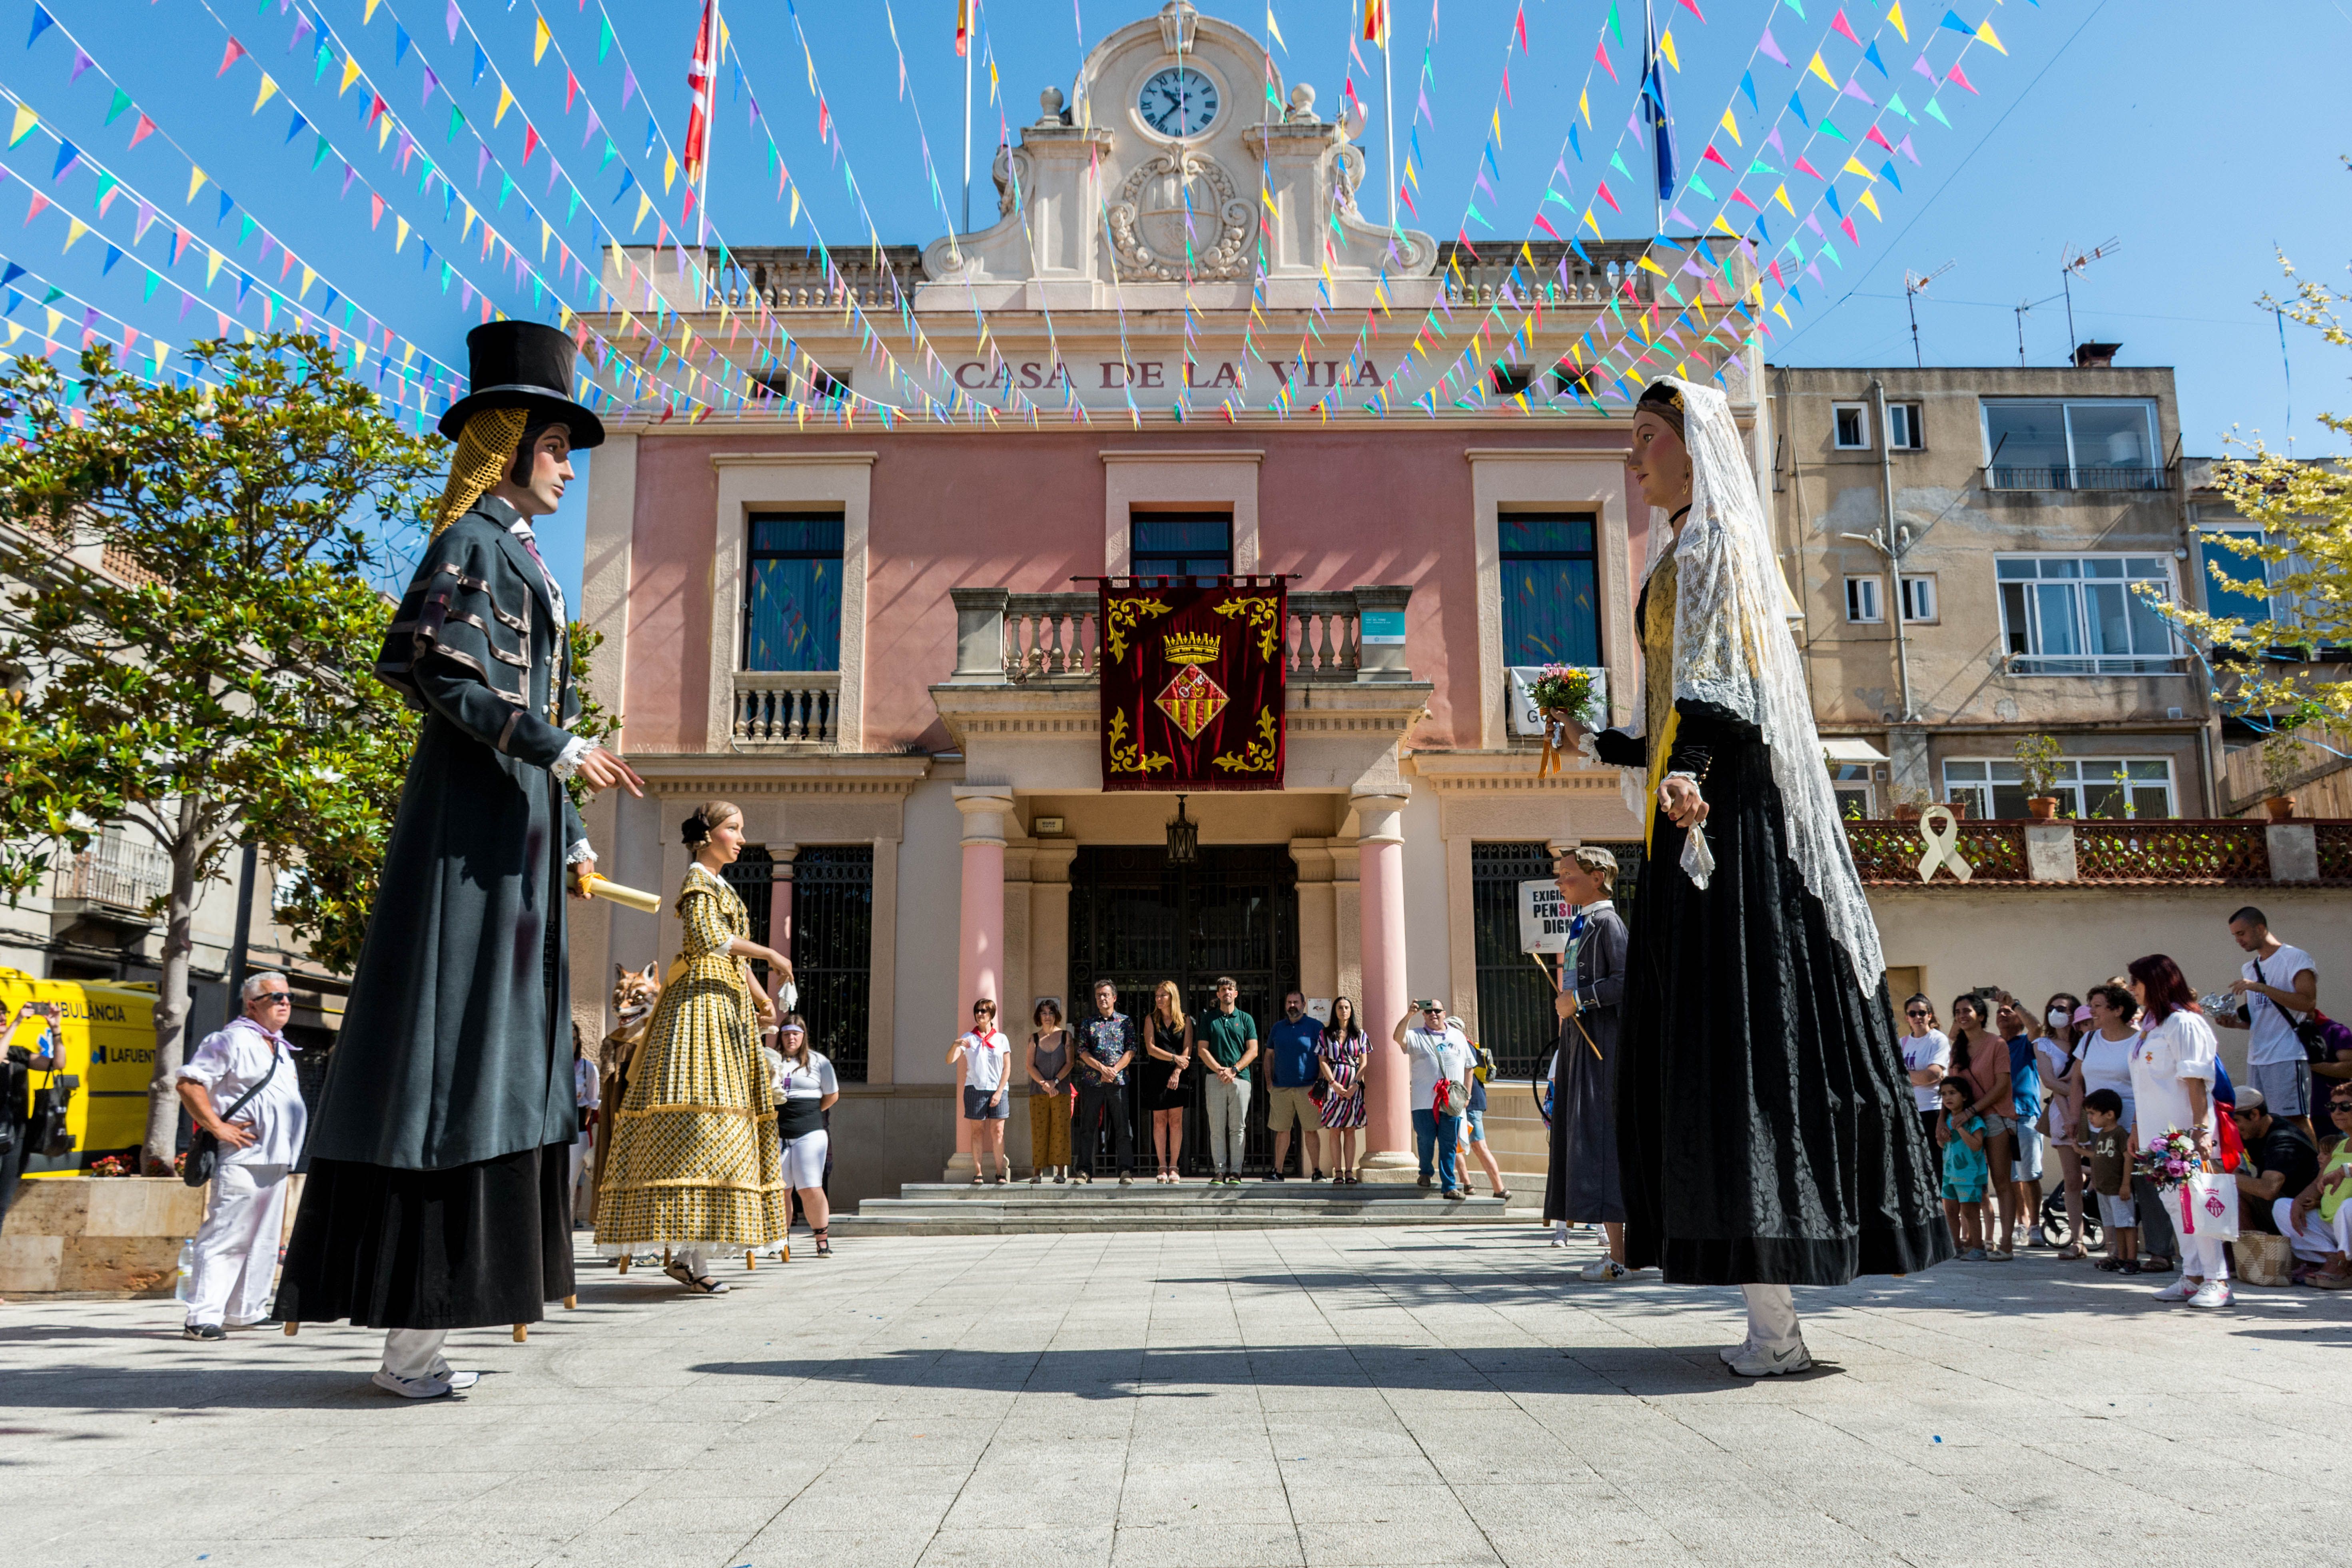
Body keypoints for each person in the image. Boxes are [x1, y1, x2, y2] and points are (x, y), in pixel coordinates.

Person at [274, 321, 644, 1398]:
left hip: (520, 832)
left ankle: (427, 1338)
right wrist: (553, 748)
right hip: (471, 835)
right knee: (450, 1053)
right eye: (555, 447)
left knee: (503, 1054)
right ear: (507, 441)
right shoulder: (470, 542)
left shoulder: (517, 552)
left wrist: (567, 822)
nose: (569, 470)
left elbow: (532, 700)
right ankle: (409, 1342)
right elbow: (438, 674)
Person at [1564, 379, 1948, 1376]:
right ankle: (1770, 1320)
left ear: (1692, 449)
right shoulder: (1675, 552)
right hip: (1689, 810)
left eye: (1645, 439)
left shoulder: (1720, 548)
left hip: (1724, 818)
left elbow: (1722, 689)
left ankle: (1775, 1325)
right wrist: (1604, 741)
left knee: (1740, 1046)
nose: (1632, 458)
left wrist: (1688, 777)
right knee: (1709, 1053)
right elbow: (1667, 713)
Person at [595, 801, 794, 1292]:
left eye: (742, 829)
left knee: (721, 1125)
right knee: (701, 1120)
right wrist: (770, 951)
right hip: (699, 1006)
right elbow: (711, 940)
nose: (742, 838)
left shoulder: (721, 886)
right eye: (734, 828)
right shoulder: (696, 881)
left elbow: (731, 951)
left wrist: (762, 995)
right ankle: (691, 1258)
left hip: (723, 1005)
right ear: (707, 835)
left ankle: (692, 1255)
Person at [175, 972, 307, 1341]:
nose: (284, 1002)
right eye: (275, 997)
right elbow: (188, 1082)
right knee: (226, 1236)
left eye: (288, 996)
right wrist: (218, 1128)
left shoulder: (279, 1046)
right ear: (252, 1004)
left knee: (264, 1240)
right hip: (243, 1155)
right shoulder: (231, 1039)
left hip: (276, 1157)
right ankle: (201, 1317)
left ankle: (245, 1310)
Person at [2126, 954, 2230, 1308]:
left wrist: (2201, 1130)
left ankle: (2218, 1281)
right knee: (2175, 1205)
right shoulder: (2151, 1027)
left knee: (2199, 1204)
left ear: (2154, 982)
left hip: (2186, 1134)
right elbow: (2143, 1085)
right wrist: (2138, 1127)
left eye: (2135, 982)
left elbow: (2196, 1080)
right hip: (2158, 1137)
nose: (2130, 989)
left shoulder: (2185, 1023)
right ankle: (2192, 1276)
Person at [1546, 847, 1628, 1278]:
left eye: (1568, 874)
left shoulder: (1607, 923)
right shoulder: (1583, 924)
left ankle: (1620, 1257)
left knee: (1602, 1143)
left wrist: (1578, 998)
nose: (1560, 883)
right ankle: (1618, 1251)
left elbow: (1625, 981)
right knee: (1591, 1144)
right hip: (1582, 1046)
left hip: (1603, 1049)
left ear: (1598, 878)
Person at [2076, 982, 2176, 1273]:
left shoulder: (2139, 1041)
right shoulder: (2089, 1040)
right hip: (2100, 1128)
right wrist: (2077, 1118)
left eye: (2097, 1006)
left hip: (2139, 1126)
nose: (2090, 1011)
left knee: (2146, 1189)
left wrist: (2136, 1125)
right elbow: (2076, 1081)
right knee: (2108, 1189)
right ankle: (2117, 1252)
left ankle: (2159, 1252)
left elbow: (2150, 1084)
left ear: (2118, 1010)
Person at [2216, 906, 2320, 1141]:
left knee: (2295, 1119)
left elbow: (2307, 1003)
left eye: (2241, 934)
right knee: (2262, 1121)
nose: (2238, 940)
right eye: (2234, 936)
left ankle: (2314, 1172)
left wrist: (2260, 987)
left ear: (2260, 928)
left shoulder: (2295, 958)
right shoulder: (2249, 968)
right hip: (2258, 1056)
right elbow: (2262, 1018)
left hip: (2287, 1053)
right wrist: (2234, 1024)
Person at [1950, 994, 2016, 1261]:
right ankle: (1974, 1242)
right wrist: (1946, 1121)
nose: (1961, 1015)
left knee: (2001, 1180)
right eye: (1957, 1012)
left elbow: (2001, 1086)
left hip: (1994, 1117)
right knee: (1971, 1182)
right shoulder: (1957, 1047)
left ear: (1980, 1014)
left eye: (1966, 1010)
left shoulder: (1997, 1044)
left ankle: (2006, 1244)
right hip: (1966, 1121)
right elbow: (1950, 1086)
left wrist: (1972, 1110)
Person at [770, 1015, 840, 1257]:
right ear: (781, 1036)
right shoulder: (772, 1060)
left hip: (809, 1132)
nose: (791, 1038)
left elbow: (832, 1096)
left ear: (803, 1037)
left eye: (796, 1034)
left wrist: (806, 1115)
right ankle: (781, 1242)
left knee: (810, 1187)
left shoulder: (819, 1062)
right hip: (777, 1132)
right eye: (787, 1034)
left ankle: (822, 1241)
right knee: (781, 1189)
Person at [1390, 1000, 1474, 1197]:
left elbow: (1470, 1066)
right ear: (1424, 1015)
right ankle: (1426, 1172)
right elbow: (1397, 1037)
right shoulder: (1416, 1035)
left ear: (1444, 1013)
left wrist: (1467, 1095)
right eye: (1429, 1011)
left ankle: (1449, 1186)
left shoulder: (1458, 1036)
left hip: (1452, 1101)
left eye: (1437, 1011)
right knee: (1426, 1140)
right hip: (1423, 1100)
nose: (1433, 1014)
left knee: (1449, 1144)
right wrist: (1409, 1015)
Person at [2276, 1084, 2352, 1287]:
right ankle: (2333, 1258)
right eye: (2332, 1106)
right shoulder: (2340, 1145)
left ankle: (2346, 1262)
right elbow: (2318, 1181)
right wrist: (2301, 1201)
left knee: (2349, 1206)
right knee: (2283, 1206)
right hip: (2333, 1223)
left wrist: (2344, 1171)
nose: (2337, 1112)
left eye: (2345, 1106)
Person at [2230, 1087, 2318, 1243]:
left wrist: (2223, 1176)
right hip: (2280, 1204)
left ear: (2255, 1115)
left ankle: (2254, 1250)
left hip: (2301, 1210)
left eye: (2236, 1121)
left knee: (2231, 1188)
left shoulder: (2283, 1139)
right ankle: (2243, 1252)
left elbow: (2268, 1190)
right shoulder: (2254, 1130)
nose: (2233, 1127)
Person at [1197, 978, 1259, 1187]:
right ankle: (1219, 1171)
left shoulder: (1246, 1019)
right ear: (1218, 994)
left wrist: (1234, 1070)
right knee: (1216, 1127)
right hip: (1214, 1078)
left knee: (1238, 1127)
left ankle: (1236, 1172)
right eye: (1223, 990)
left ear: (1236, 993)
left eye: (1230, 989)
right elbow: (1202, 1049)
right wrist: (1219, 1070)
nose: (1227, 993)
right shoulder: (1209, 1019)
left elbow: (1253, 1050)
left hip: (1240, 1079)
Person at [1995, 996, 2046, 1249]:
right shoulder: (1993, 1046)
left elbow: (2038, 1028)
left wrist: (2014, 1003)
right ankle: (2021, 1223)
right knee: (2011, 1177)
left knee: (2030, 1175)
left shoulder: (2027, 1043)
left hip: (2025, 1116)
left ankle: (2035, 1226)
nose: (2003, 1015)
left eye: (2009, 1013)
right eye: (2000, 1012)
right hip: (1998, 1119)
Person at [1074, 981, 1136, 1185]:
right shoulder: (1088, 1023)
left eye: (1106, 995)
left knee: (1123, 1128)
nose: (1102, 998)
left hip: (1118, 1082)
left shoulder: (1126, 1022)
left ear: (1114, 998)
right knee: (1088, 1128)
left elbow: (1131, 1050)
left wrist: (1114, 1071)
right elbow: (1082, 1051)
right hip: (1093, 1082)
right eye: (1099, 995)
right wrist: (1102, 1069)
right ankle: (1084, 1171)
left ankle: (1126, 1171)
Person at [949, 999, 1014, 1187]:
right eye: (978, 1011)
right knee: (977, 1132)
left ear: (992, 1014)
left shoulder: (1001, 1039)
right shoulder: (969, 1037)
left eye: (984, 1011)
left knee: (998, 1131)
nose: (980, 1014)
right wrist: (955, 1046)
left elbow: (1007, 1069)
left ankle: (1000, 1173)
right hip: (975, 1089)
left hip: (998, 1089)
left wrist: (999, 1091)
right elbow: (950, 1060)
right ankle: (978, 1173)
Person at [1263, 991, 1324, 1183]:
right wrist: (1269, 1082)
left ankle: (1317, 1171)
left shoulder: (1316, 1027)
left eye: (1296, 1002)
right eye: (1289, 1002)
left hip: (1308, 1088)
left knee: (1311, 1130)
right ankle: (1278, 1171)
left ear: (1304, 1004)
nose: (1292, 1006)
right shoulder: (1278, 1028)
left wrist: (1320, 1083)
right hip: (1281, 1088)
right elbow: (1268, 1056)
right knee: (1282, 1131)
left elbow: (1324, 1057)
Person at [1140, 981, 1193, 1183]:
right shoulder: (1151, 1019)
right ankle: (1162, 1165)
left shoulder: (1186, 1020)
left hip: (1179, 1075)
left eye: (1163, 995)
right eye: (1157, 995)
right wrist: (1173, 1058)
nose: (1159, 999)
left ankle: (1174, 1166)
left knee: (1176, 1121)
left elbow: (1188, 1049)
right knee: (1160, 1121)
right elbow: (1151, 1048)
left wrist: (1178, 1070)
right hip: (1157, 1075)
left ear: (1173, 997)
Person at [2080, 1089, 2139, 1273]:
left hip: (2118, 1190)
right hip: (2104, 1190)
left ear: (2110, 1114)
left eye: (2092, 1114)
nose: (2090, 1118)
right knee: (2115, 1225)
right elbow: (2098, 1157)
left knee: (2127, 1225)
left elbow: (2128, 1158)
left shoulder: (2120, 1134)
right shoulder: (2102, 1135)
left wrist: (2125, 1184)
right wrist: (2078, 1150)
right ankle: (2120, 1258)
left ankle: (2132, 1260)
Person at [1315, 996, 1368, 1184]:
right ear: (1334, 1011)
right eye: (1339, 1007)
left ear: (1351, 1011)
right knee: (1335, 1130)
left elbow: (1364, 1062)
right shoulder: (1325, 1034)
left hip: (1354, 1087)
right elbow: (1322, 1061)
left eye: (1346, 1007)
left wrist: (1355, 1085)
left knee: (1351, 1129)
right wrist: (1333, 1083)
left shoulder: (1360, 1034)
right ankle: (1338, 1171)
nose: (1343, 1011)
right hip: (1334, 1086)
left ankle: (1349, 1172)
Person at [1935, 1079, 1990, 1261]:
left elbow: (1977, 1145)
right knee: (1950, 1212)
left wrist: (1960, 1129)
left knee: (1970, 1212)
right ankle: (1955, 1246)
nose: (1947, 1098)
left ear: (1965, 1096)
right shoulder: (1947, 1119)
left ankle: (1978, 1247)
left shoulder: (1974, 1121)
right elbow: (1943, 1144)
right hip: (1950, 1174)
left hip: (1970, 1176)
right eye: (1944, 1094)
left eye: (1952, 1093)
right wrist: (1943, 1139)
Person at [1454, 1032, 1509, 1201]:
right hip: (1466, 1102)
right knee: (1453, 1143)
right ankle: (1467, 1184)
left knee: (1479, 1145)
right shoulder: (1467, 1045)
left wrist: (1466, 1098)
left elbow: (1468, 1072)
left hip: (1468, 1103)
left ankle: (1500, 1188)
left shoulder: (1462, 1045)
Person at [1026, 998, 1073, 1185]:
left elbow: (1070, 1063)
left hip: (1061, 1090)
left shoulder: (1065, 1036)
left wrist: (1054, 1083)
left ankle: (1061, 1172)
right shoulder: (1034, 1038)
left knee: (1060, 1131)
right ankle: (1037, 1172)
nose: (1048, 1017)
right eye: (1044, 1013)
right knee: (1039, 1131)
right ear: (1039, 1016)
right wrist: (1045, 1084)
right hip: (1038, 1092)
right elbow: (1029, 1066)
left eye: (1051, 1013)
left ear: (1057, 1016)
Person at [1899, 996, 1950, 1147]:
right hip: (1909, 1110)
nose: (1918, 1017)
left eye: (1922, 1013)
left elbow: (1933, 1075)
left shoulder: (1938, 1040)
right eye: (1913, 1014)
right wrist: (1917, 1078)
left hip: (1933, 1109)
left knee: (1936, 1162)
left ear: (1930, 1015)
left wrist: (1903, 1077)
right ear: (1907, 1018)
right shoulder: (1902, 1043)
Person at [569, 1022, 600, 1226]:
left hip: (578, 1128)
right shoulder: (548, 1066)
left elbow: (593, 1101)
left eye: (573, 1038)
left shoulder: (587, 1068)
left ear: (578, 1041)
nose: (569, 1043)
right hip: (549, 1132)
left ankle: (567, 1224)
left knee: (571, 1183)